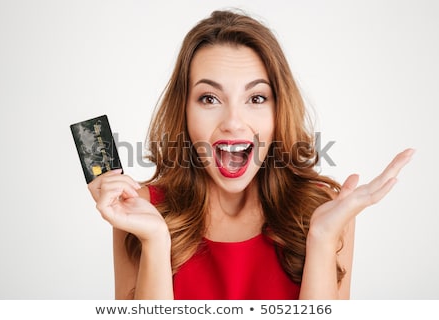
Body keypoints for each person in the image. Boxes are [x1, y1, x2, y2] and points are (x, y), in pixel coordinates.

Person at [88, 9, 414, 300]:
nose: (232, 122)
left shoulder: (324, 211)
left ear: (278, 111)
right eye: (209, 99)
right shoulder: (141, 211)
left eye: (256, 98)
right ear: (184, 112)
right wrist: (156, 241)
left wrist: (323, 239)